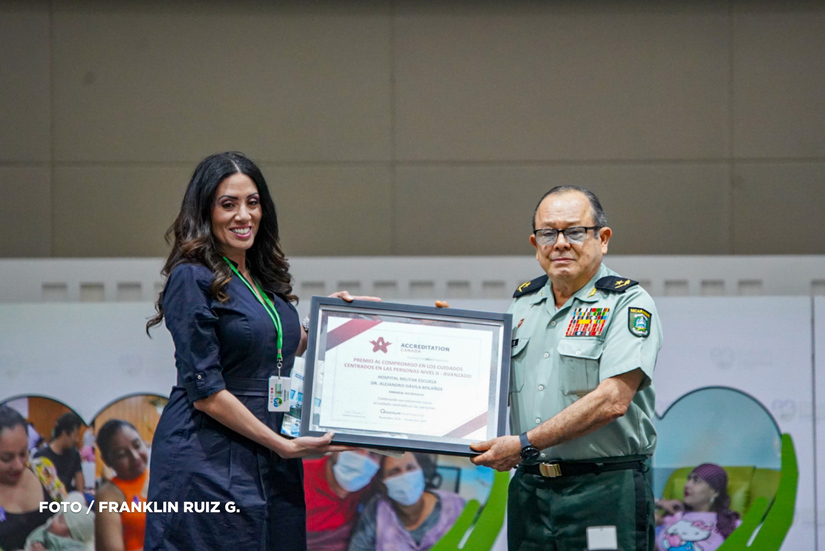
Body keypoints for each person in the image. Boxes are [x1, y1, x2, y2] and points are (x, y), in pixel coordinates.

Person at [143, 151, 376, 551]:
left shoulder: (261, 277)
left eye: (252, 202)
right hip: (207, 459)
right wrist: (282, 444)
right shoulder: (191, 277)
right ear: (205, 211)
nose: (243, 215)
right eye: (228, 204)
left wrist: (336, 322)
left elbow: (285, 347)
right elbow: (206, 394)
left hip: (271, 455)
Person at [470, 186, 663, 550]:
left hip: (604, 489)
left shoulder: (628, 303)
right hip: (531, 489)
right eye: (548, 232)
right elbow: (486, 388)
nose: (560, 243)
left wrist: (525, 443)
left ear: (602, 239)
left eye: (574, 231)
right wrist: (448, 340)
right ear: (535, 242)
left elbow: (612, 401)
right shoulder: (522, 306)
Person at [347, 452, 465, 551]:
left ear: (421, 470)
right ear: (382, 483)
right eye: (395, 472)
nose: (405, 476)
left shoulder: (456, 506)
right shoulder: (376, 509)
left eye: (411, 468)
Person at [304, 451, 381, 551]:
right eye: (355, 447)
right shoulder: (296, 478)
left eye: (374, 454)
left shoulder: (373, 488)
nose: (362, 460)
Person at [0, 405, 53, 551]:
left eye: (23, 453)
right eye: (6, 458)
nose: (18, 465)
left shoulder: (44, 470)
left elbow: (71, 518)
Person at [655, 464, 741, 551]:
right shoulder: (670, 518)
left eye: (696, 480)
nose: (687, 485)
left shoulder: (731, 525)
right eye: (689, 479)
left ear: (715, 492)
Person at [93, 420, 149, 551]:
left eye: (137, 445)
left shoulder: (160, 476)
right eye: (122, 455)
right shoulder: (108, 495)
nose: (135, 457)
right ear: (107, 461)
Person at [24, 491, 94, 551]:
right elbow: (40, 531)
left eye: (60, 521)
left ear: (69, 535)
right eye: (57, 517)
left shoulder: (73, 547)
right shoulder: (48, 530)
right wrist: (37, 540)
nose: (53, 520)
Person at [32, 414, 84, 495]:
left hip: (69, 501)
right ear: (65, 433)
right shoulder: (41, 457)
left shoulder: (74, 454)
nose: (77, 440)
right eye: (76, 435)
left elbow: (79, 477)